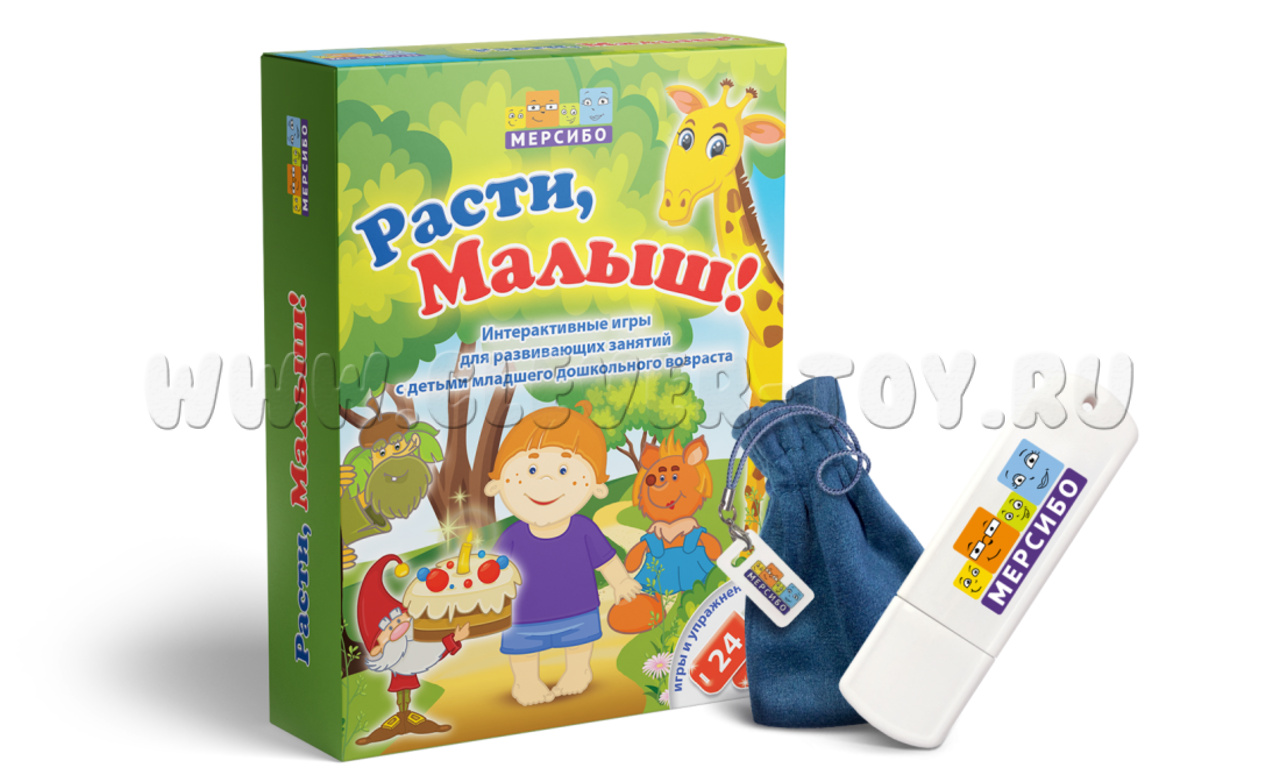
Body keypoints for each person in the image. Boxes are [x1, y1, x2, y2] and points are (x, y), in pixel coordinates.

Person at [485, 403, 642, 705]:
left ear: (596, 487)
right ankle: (526, 682)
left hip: (578, 608)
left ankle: (578, 672)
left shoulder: (584, 529)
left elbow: (606, 560)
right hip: (525, 615)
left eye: (563, 470)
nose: (546, 482)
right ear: (499, 483)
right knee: (523, 651)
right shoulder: (512, 536)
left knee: (579, 644)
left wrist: (621, 582)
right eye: (531, 469)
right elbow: (494, 571)